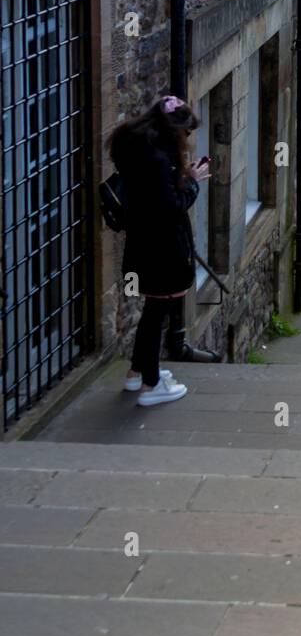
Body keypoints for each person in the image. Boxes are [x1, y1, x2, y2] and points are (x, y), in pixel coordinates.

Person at [109, 94, 212, 407]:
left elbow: (152, 197)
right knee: (157, 315)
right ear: (173, 128)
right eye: (187, 132)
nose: (188, 138)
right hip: (163, 251)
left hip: (144, 246)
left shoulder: (135, 148)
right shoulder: (155, 160)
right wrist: (192, 182)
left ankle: (137, 373)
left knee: (152, 313)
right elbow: (170, 208)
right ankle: (152, 385)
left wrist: (178, 177)